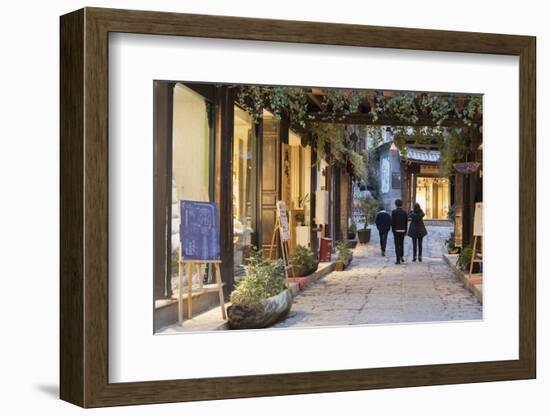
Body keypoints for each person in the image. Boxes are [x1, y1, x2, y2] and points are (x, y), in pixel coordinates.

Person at [391, 199, 408, 264]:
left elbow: (393, 222)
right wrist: (406, 230)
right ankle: (401, 256)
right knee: (401, 244)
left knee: (397, 245)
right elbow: (406, 222)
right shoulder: (404, 212)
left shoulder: (394, 212)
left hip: (396, 230)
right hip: (403, 230)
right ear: (402, 204)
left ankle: (398, 259)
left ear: (396, 204)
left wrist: (393, 230)